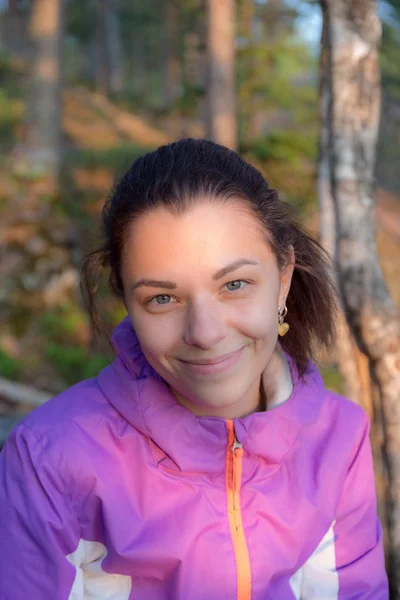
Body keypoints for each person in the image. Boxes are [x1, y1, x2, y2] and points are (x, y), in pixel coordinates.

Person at [0, 138, 389, 599]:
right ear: (126, 299)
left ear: (283, 277)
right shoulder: (49, 457)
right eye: (162, 298)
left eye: (235, 284)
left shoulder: (338, 439)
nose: (204, 333)